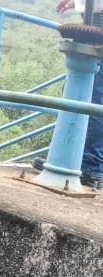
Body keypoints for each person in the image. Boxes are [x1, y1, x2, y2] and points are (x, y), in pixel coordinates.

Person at [43, 0, 103, 188]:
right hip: (94, 14)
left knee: (93, 95)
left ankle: (90, 166)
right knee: (88, 91)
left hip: (98, 18)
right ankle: (74, 159)